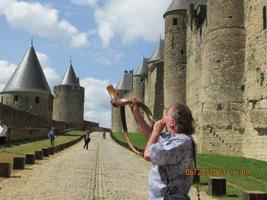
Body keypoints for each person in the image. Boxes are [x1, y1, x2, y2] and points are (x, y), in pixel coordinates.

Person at [130, 101, 195, 200]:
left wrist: (156, 131)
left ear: (172, 122)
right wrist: (136, 113)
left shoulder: (181, 142)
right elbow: (151, 138)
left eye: (166, 117)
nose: (163, 120)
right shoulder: (172, 137)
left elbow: (148, 154)